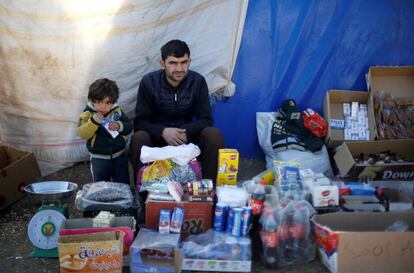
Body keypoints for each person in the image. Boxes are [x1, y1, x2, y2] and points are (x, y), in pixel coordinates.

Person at [131, 39, 224, 183]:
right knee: (138, 138)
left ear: (189, 61)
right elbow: (140, 122)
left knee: (213, 135)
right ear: (163, 64)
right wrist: (163, 131)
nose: (179, 68)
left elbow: (206, 119)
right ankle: (143, 196)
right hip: (159, 139)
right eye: (173, 63)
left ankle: (207, 190)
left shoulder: (197, 81)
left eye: (184, 62)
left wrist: (186, 132)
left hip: (186, 138)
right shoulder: (149, 82)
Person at [77, 78, 132, 184]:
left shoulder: (117, 112)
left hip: (119, 156)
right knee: (100, 186)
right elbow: (82, 133)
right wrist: (93, 122)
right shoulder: (87, 115)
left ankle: (124, 200)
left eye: (107, 103)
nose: (103, 106)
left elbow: (129, 127)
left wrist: (119, 125)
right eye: (99, 102)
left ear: (113, 101)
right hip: (99, 159)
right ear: (92, 100)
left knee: (123, 184)